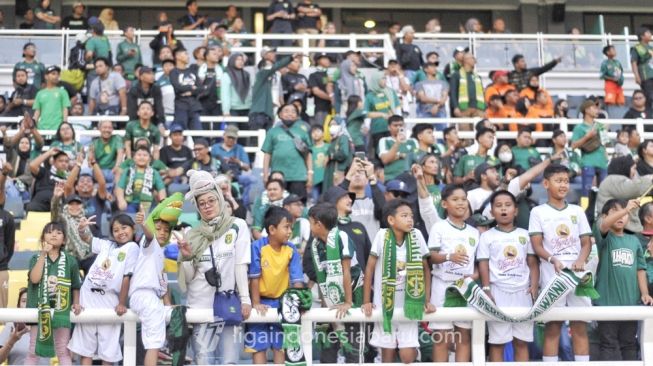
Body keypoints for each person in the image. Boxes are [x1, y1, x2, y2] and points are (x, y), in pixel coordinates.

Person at [177, 170, 252, 364]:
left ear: (219, 198)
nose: (207, 206)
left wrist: (245, 299)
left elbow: (240, 265)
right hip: (200, 306)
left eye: (211, 200)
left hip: (228, 305)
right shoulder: (192, 234)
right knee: (204, 361)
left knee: (229, 362)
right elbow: (189, 277)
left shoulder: (238, 226)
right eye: (202, 204)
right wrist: (186, 258)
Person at [529, 164, 592, 363]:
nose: (563, 185)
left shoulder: (577, 211)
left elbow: (586, 243)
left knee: (579, 327)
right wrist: (553, 259)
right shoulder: (538, 212)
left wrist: (581, 260)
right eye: (558, 181)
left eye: (566, 181)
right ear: (546, 183)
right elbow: (537, 245)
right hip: (552, 277)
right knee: (553, 327)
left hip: (578, 276)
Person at [363, 199, 435, 363]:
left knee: (407, 356)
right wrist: (367, 301)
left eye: (411, 216)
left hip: (410, 304)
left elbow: (425, 270)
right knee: (386, 356)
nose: (410, 219)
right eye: (404, 216)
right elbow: (369, 269)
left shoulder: (416, 235)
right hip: (384, 305)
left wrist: (426, 299)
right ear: (391, 220)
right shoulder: (382, 236)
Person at [69, 214, 140, 364]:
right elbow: (87, 238)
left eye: (124, 227)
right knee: (85, 348)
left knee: (108, 348)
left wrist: (121, 303)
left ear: (133, 228)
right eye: (116, 230)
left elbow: (127, 277)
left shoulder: (133, 248)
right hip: (88, 294)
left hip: (110, 297)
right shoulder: (107, 244)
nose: (120, 232)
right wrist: (82, 229)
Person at [478, 190, 538, 362]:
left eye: (508, 205)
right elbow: (483, 264)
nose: (503, 209)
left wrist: (534, 286)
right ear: (491, 212)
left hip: (523, 293)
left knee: (521, 342)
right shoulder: (487, 237)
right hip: (498, 293)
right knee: (498, 342)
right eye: (498, 206)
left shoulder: (525, 235)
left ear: (516, 210)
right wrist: (487, 288)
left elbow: (533, 263)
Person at [303, 203, 364, 363]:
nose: (309, 227)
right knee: (327, 350)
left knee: (353, 351)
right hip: (330, 301)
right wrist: (325, 304)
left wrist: (348, 302)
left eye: (310, 223)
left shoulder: (341, 237)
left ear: (318, 224)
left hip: (353, 298)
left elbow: (346, 272)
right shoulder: (315, 245)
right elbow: (321, 278)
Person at [594, 199, 653, 360]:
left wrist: (645, 293)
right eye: (614, 212)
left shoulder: (634, 241)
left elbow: (640, 269)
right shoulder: (604, 236)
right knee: (608, 344)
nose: (621, 216)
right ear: (605, 215)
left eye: (624, 213)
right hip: (606, 304)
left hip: (630, 304)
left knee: (629, 344)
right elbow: (604, 225)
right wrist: (626, 209)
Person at [246, 206, 303, 363]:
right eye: (286, 227)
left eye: (291, 227)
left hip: (283, 303)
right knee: (258, 346)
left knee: (281, 346)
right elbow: (254, 278)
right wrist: (256, 303)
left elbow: (297, 279)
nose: (290, 231)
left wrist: (298, 304)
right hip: (260, 302)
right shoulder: (257, 247)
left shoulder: (291, 249)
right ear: (272, 229)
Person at [427, 184, 478, 361]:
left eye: (463, 199)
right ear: (444, 204)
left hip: (465, 289)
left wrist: (475, 276)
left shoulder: (474, 232)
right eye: (455, 199)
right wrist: (449, 256)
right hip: (442, 286)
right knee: (442, 338)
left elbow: (479, 264)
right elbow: (430, 257)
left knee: (463, 338)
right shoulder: (438, 227)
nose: (461, 203)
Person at [25, 222, 82, 365]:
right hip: (38, 309)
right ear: (43, 238)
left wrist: (76, 302)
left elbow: (75, 285)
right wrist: (43, 254)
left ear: (64, 240)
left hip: (61, 311)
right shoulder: (35, 258)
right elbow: (35, 279)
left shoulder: (71, 261)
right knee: (33, 351)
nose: (54, 235)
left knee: (62, 351)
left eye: (58, 232)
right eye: (49, 232)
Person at [131, 200, 176, 366]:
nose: (162, 233)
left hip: (150, 298)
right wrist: (144, 223)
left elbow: (163, 282)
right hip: (144, 295)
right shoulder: (149, 242)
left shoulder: (160, 253)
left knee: (154, 344)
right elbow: (149, 235)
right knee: (154, 344)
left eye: (166, 230)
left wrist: (168, 304)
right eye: (158, 229)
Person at [262, 103, 313, 200]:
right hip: (278, 176)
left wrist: (310, 174)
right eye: (286, 111)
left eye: (293, 111)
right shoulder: (272, 132)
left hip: (299, 176)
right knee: (277, 204)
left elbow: (308, 154)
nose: (290, 113)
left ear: (297, 116)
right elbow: (267, 154)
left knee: (298, 204)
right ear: (279, 114)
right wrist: (265, 174)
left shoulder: (302, 132)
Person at [571, 99, 609, 205]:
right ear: (586, 110)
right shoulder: (579, 128)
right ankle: (585, 213)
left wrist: (606, 156)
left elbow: (605, 142)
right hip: (588, 161)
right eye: (594, 108)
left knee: (604, 192)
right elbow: (573, 145)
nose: (597, 110)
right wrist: (587, 136)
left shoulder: (600, 126)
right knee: (586, 191)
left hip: (602, 161)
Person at [115, 146, 167, 213]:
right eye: (139, 155)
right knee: (129, 216)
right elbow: (120, 187)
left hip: (148, 203)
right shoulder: (127, 171)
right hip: (130, 202)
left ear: (149, 159)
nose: (142, 157)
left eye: (145, 155)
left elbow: (161, 189)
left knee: (149, 218)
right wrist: (121, 200)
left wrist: (162, 203)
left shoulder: (154, 173)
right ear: (134, 158)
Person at [365, 70, 400, 160]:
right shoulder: (370, 96)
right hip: (377, 129)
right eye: (383, 78)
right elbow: (366, 113)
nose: (385, 80)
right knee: (380, 153)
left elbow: (397, 108)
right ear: (376, 80)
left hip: (392, 129)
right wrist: (381, 114)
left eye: (385, 78)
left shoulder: (391, 92)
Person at [27, 148, 69, 212]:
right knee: (32, 206)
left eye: (66, 161)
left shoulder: (69, 179)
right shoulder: (45, 172)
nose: (64, 163)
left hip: (58, 208)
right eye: (60, 161)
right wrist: (49, 153)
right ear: (54, 162)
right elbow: (32, 165)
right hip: (39, 205)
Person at [170, 48, 202, 131]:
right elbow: (177, 87)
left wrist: (191, 92)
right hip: (181, 106)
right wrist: (191, 87)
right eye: (186, 54)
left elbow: (200, 88)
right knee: (179, 132)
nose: (188, 57)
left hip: (194, 106)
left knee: (198, 134)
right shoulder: (174, 72)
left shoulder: (192, 71)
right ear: (177, 56)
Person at [379, 115, 417, 181]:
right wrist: (400, 154)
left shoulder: (413, 141)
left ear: (404, 126)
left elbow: (417, 157)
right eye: (395, 125)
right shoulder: (384, 140)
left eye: (401, 125)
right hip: (392, 178)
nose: (398, 128)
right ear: (389, 127)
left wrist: (395, 156)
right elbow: (385, 160)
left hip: (411, 178)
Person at [32, 65, 69, 130]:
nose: (56, 76)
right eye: (53, 74)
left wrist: (64, 125)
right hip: (42, 128)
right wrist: (34, 125)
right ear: (46, 76)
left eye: (58, 74)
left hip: (57, 128)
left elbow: (65, 109)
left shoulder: (63, 92)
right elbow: (37, 112)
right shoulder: (40, 93)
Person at [0, 288, 31, 364]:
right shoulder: (11, 326)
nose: (27, 304)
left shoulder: (47, 326)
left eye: (31, 301)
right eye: (24, 301)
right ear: (18, 306)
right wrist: (11, 341)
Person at [450, 52, 485, 118]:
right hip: (463, 109)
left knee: (480, 128)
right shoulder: (456, 75)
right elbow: (453, 92)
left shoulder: (478, 77)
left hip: (478, 109)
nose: (475, 61)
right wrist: (455, 107)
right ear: (466, 60)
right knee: (465, 128)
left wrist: (485, 107)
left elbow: (482, 94)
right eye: (473, 58)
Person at [631, 27, 653, 113]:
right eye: (648, 33)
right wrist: (637, 76)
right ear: (642, 36)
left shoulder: (651, 47)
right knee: (649, 95)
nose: (650, 34)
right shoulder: (637, 48)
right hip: (646, 74)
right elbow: (634, 62)